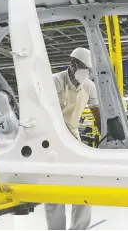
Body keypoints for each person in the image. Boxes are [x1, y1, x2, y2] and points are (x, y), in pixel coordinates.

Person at [46, 47, 101, 230]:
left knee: (83, 184)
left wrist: (106, 136)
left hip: (74, 138)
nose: (86, 72)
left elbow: (97, 113)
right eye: (83, 67)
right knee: (54, 189)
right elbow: (47, 114)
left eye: (89, 69)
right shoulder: (55, 82)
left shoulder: (89, 86)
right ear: (73, 63)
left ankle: (80, 228)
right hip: (52, 140)